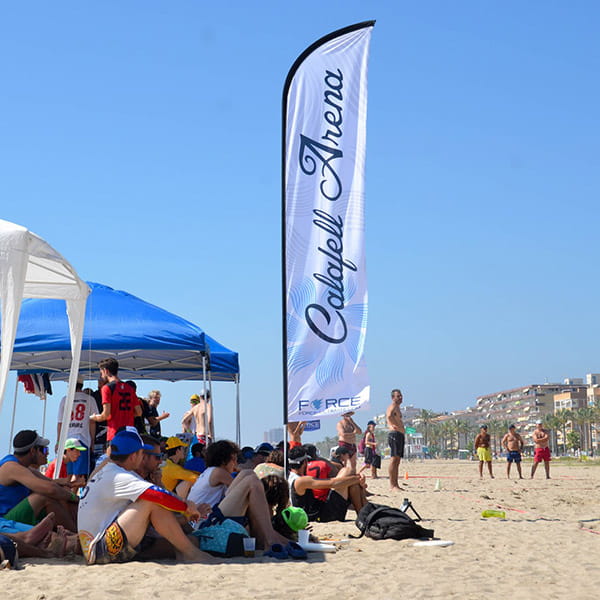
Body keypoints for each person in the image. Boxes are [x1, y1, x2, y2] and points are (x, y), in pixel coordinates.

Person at [77, 427, 215, 564]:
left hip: (98, 546)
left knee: (189, 538)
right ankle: (191, 554)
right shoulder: (118, 475)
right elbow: (157, 496)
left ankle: (188, 552)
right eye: (141, 453)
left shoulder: (109, 470)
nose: (143, 457)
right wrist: (186, 507)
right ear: (133, 456)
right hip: (101, 550)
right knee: (150, 501)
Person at [188, 440, 293, 551]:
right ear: (225, 460)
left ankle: (266, 536)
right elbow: (242, 488)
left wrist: (241, 471)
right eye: (234, 459)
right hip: (206, 523)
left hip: (208, 518)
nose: (235, 463)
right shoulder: (218, 472)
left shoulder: (209, 472)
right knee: (251, 481)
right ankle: (269, 537)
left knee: (248, 474)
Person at [0, 430, 78, 530]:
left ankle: (82, 527)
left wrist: (68, 485)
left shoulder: (25, 468)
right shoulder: (11, 467)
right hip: (4, 521)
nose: (48, 453)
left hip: (14, 516)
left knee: (62, 490)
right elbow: (50, 489)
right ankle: (77, 536)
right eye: (44, 450)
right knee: (43, 496)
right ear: (33, 451)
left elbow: (52, 483)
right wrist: (75, 498)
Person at [287, 446, 367, 522]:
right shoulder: (301, 481)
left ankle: (363, 515)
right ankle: (362, 516)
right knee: (347, 472)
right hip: (320, 515)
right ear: (305, 462)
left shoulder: (290, 477)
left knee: (351, 483)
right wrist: (358, 479)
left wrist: (355, 480)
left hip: (318, 512)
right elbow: (333, 483)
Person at [90, 358, 142, 441]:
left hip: (115, 434)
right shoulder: (129, 388)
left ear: (106, 371)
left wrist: (94, 418)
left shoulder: (106, 388)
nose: (101, 376)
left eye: (101, 373)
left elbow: (105, 415)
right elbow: (139, 412)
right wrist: (126, 415)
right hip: (129, 433)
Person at [56, 378, 96, 478]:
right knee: (79, 475)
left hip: (68, 440)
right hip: (83, 438)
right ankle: (73, 493)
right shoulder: (90, 399)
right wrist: (92, 441)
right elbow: (92, 422)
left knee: (69, 473)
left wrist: (58, 442)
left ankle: (69, 493)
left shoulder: (65, 399)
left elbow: (60, 423)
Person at [386, 389, 406, 490]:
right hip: (395, 434)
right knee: (394, 459)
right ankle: (392, 485)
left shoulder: (397, 408)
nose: (400, 397)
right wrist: (392, 425)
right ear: (393, 398)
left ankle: (396, 484)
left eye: (401, 395)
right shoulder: (393, 406)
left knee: (397, 460)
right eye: (398, 396)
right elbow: (389, 415)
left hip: (400, 434)